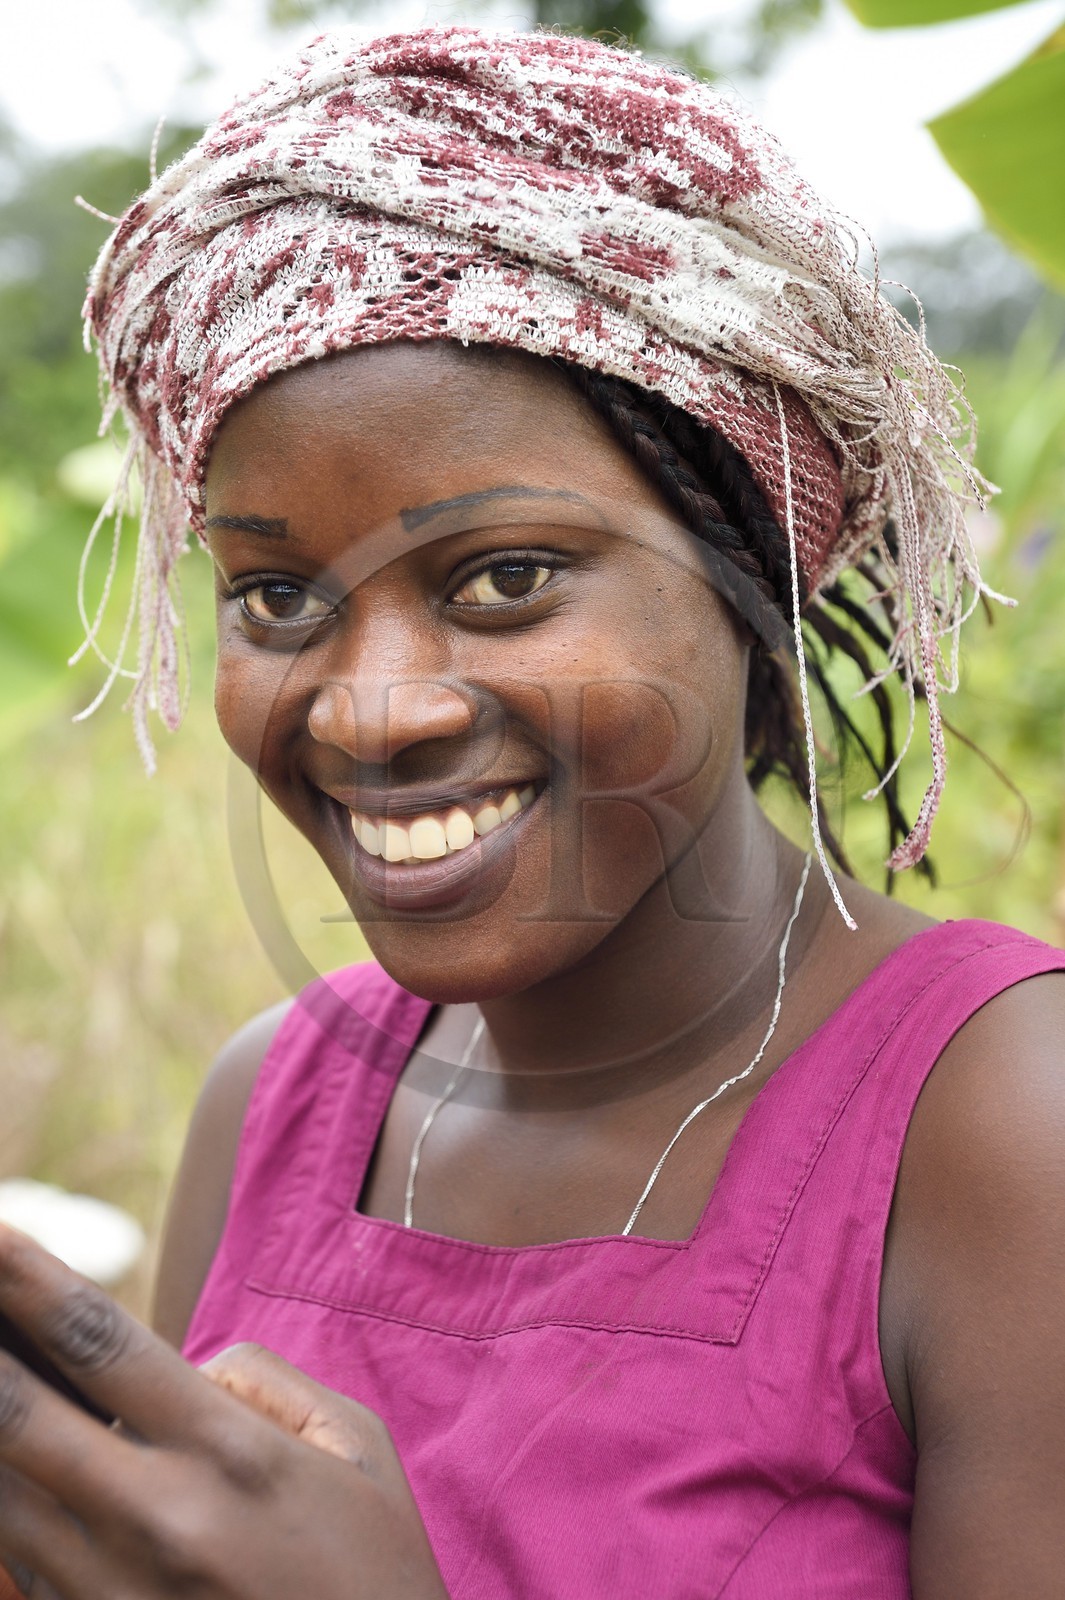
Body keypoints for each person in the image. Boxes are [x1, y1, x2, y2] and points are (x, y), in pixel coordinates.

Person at [0, 25, 1063, 1599]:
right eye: (277, 595)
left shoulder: (1000, 1125)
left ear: (753, 567)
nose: (369, 711)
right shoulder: (278, 1099)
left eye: (504, 578)